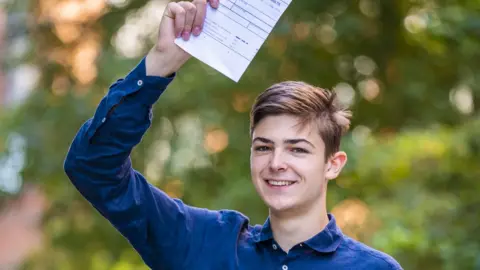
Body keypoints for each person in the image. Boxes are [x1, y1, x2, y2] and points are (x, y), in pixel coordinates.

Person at [64, 0, 403, 269]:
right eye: (264, 146)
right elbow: (93, 167)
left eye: (297, 149)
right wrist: (161, 63)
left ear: (333, 163)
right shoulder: (201, 243)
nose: (276, 162)